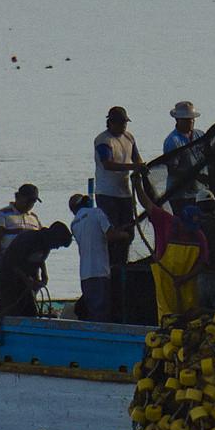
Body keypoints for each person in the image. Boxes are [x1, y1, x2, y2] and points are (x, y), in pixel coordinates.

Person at [93, 106, 145, 307]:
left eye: (125, 122)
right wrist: (133, 167)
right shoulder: (103, 140)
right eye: (119, 122)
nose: (123, 126)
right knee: (113, 234)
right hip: (107, 193)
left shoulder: (129, 138)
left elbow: (137, 158)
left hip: (124, 193)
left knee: (128, 232)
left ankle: (122, 267)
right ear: (110, 123)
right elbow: (108, 164)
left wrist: (139, 166)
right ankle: (112, 270)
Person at [137, 179, 210, 321]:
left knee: (190, 320)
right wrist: (138, 185)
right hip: (166, 280)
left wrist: (185, 278)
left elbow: (203, 263)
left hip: (188, 285)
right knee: (168, 318)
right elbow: (147, 204)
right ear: (181, 219)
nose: (190, 232)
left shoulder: (199, 236)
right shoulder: (166, 221)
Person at [0, 221, 71, 318]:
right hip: (3, 279)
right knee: (12, 314)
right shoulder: (29, 238)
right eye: (59, 244)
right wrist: (27, 280)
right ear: (54, 237)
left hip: (21, 282)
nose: (57, 247)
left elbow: (39, 261)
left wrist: (44, 276)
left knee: (30, 313)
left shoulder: (47, 244)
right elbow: (11, 263)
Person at [68, 193, 115, 321]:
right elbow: (110, 235)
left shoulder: (74, 224)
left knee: (93, 310)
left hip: (85, 274)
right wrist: (124, 235)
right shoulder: (97, 213)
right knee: (103, 312)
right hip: (100, 270)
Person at [163, 101, 207, 209]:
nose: (191, 122)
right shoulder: (173, 141)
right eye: (186, 119)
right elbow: (172, 169)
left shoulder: (200, 135)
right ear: (177, 120)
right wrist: (195, 175)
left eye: (192, 119)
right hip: (179, 194)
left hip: (199, 193)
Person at [0, 183, 41, 262]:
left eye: (33, 201)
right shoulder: (2, 215)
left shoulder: (34, 218)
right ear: (17, 197)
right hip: (8, 262)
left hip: (30, 265)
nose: (30, 204)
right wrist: (0, 263)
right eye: (28, 200)